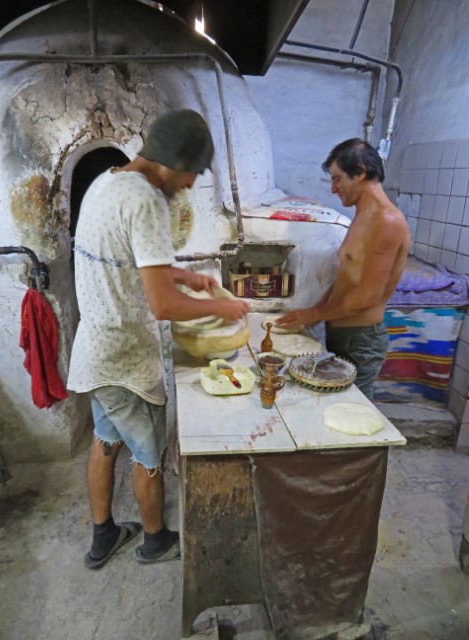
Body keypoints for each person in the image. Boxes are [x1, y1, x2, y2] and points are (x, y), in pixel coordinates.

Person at [67, 109, 248, 570]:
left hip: (96, 351)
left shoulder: (106, 182)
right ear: (172, 160)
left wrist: (187, 276)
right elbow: (163, 306)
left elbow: (129, 260)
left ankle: (103, 535)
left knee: (104, 443)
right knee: (149, 456)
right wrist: (222, 307)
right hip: (127, 363)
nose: (188, 184)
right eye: (191, 173)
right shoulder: (147, 199)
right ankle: (154, 540)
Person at [276, 138, 411, 400]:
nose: (333, 188)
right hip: (342, 334)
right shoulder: (363, 216)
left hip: (360, 340)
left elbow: (368, 295)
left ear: (360, 172)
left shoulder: (387, 220)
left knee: (353, 411)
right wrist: (314, 315)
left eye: (338, 179)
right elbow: (347, 278)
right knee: (334, 404)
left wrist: (314, 312)